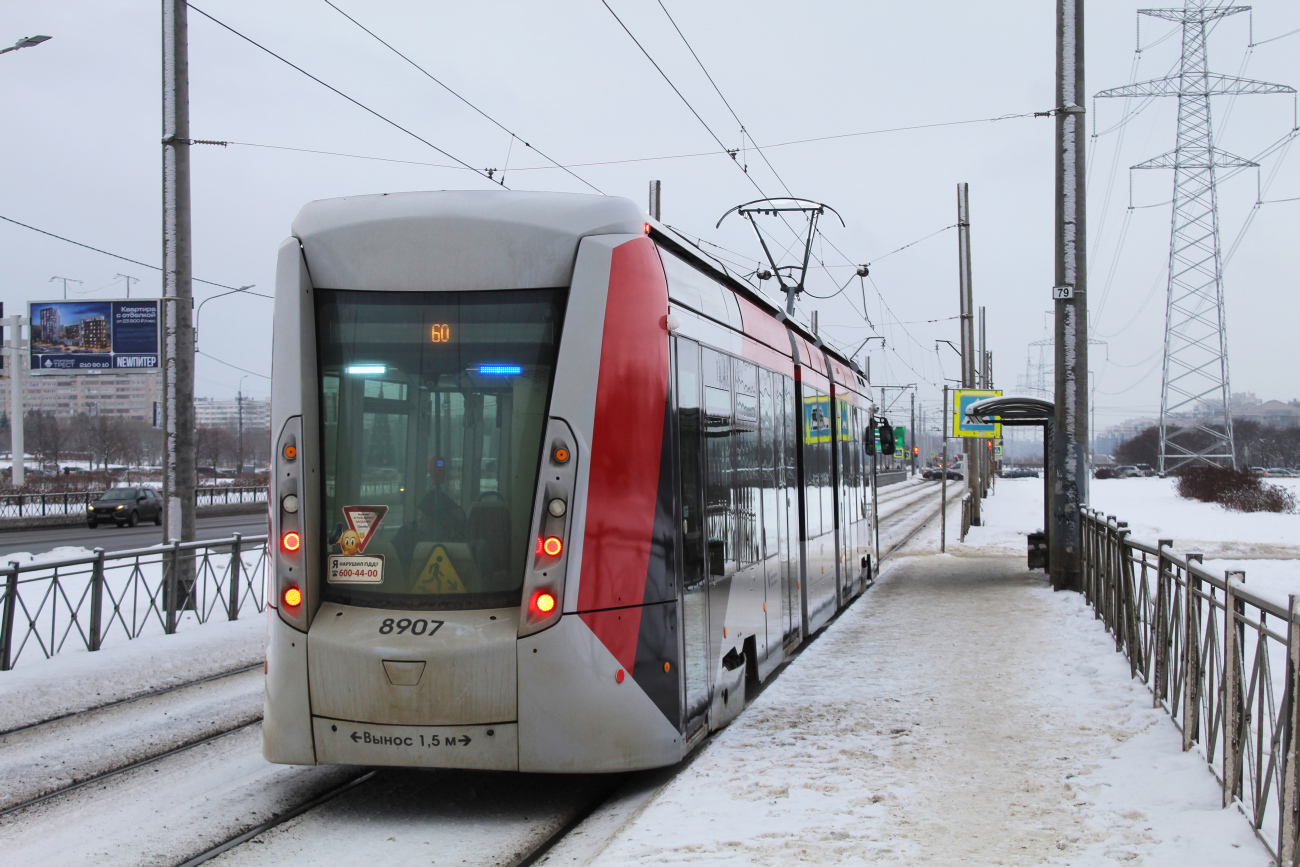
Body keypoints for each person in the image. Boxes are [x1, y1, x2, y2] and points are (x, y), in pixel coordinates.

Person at [393, 456, 467, 571]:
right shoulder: (407, 537)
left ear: (441, 522)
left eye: (425, 518)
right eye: (419, 516)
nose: (420, 521)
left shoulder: (457, 540)